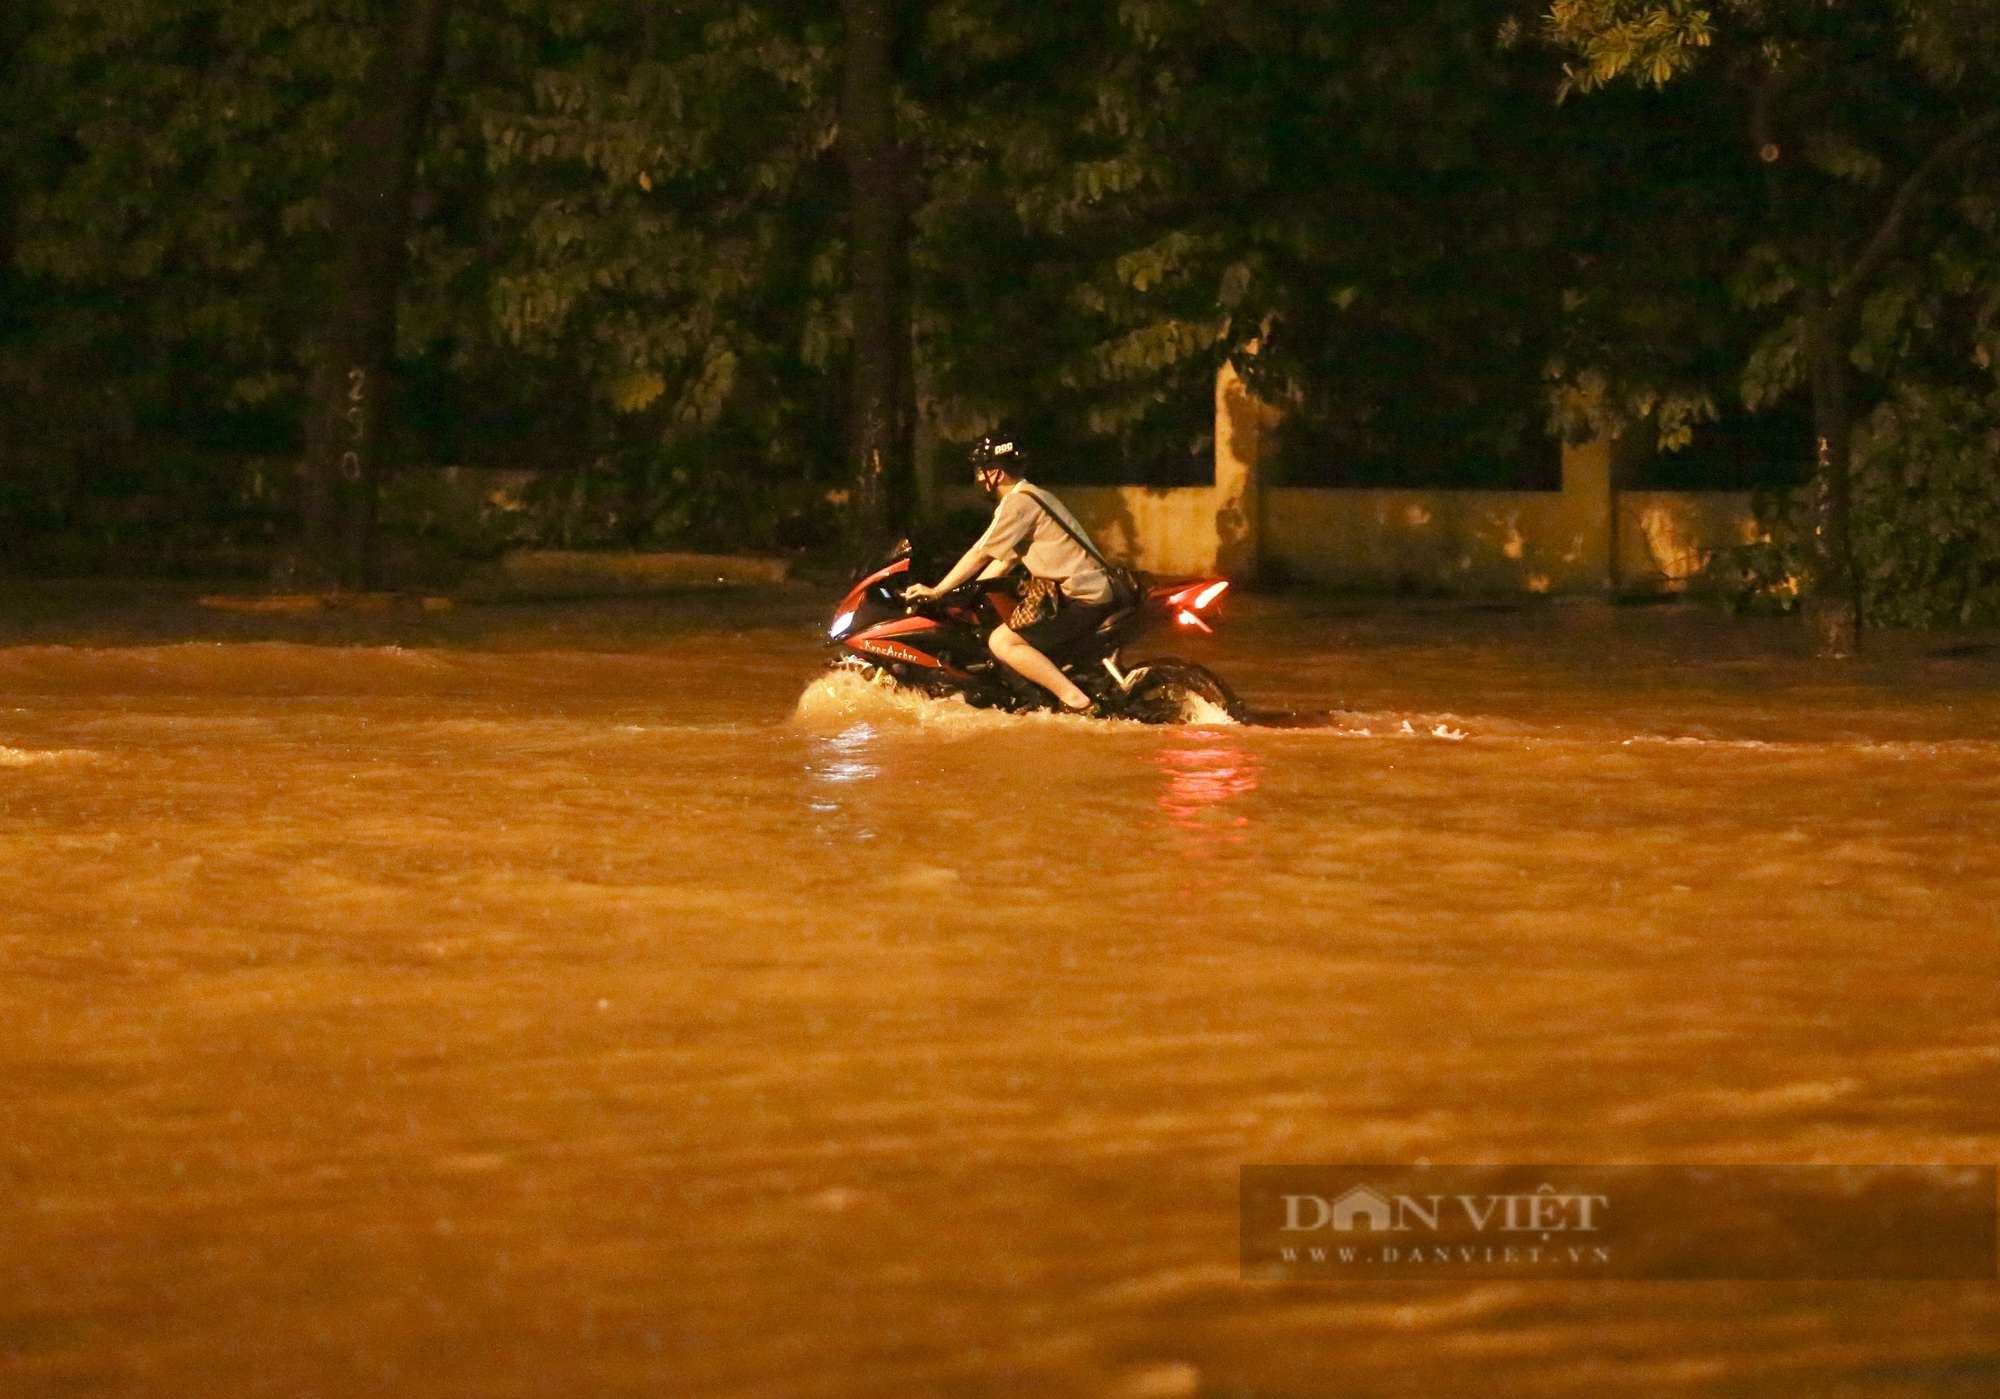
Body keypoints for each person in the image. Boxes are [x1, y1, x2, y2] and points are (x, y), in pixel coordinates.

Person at [902, 436, 1116, 715]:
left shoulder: (1018, 503)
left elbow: (981, 552)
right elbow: (1005, 561)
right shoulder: (1033, 495)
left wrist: (937, 591)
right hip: (1084, 591)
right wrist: (965, 597)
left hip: (1083, 597)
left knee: (1003, 642)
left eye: (981, 471)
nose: (978, 478)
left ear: (996, 473)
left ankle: (1079, 703)